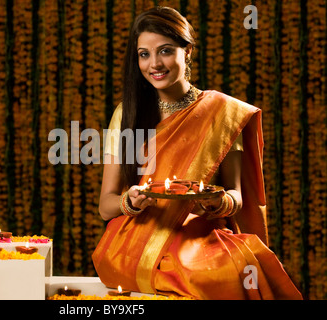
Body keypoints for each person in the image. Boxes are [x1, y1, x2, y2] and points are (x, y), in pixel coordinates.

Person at [92, 6, 302, 300]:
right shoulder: (127, 114)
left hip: (199, 236)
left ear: (187, 51)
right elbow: (106, 206)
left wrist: (218, 202)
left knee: (235, 271)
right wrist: (131, 200)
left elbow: (236, 196)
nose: (154, 64)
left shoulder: (223, 114)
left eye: (165, 51)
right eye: (144, 54)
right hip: (135, 238)